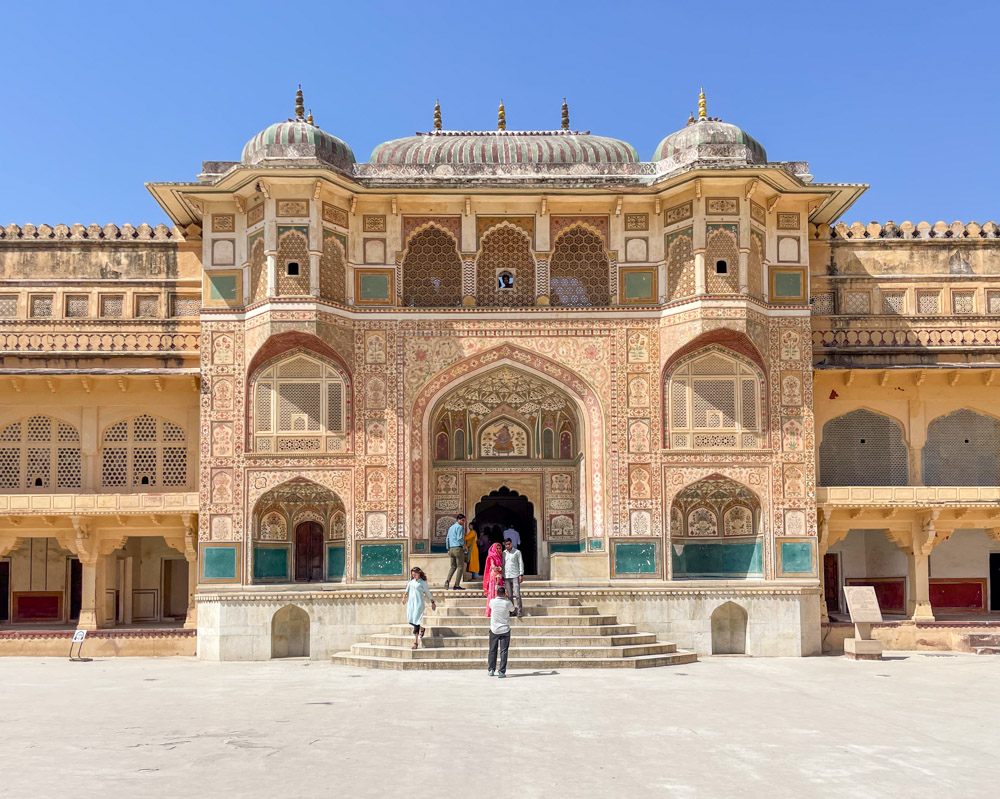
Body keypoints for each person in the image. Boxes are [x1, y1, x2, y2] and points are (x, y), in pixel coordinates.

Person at [402, 567, 436, 649]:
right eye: (412, 575)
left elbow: (427, 592)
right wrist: (403, 598)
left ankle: (415, 642)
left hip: (419, 604)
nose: (414, 576)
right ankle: (422, 628)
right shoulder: (411, 582)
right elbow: (407, 590)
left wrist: (432, 601)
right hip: (411, 603)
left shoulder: (422, 582)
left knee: (416, 622)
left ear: (419, 574)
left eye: (415, 574)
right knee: (410, 620)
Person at [487, 584, 515, 678]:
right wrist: (507, 598)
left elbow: (491, 605)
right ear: (505, 594)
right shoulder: (508, 603)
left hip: (494, 629)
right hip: (505, 629)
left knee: (492, 650)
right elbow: (512, 609)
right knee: (504, 651)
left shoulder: (492, 602)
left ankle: (491, 669)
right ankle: (502, 671)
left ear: (497, 593)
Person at [502, 537, 524, 617]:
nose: (508, 546)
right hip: (506, 576)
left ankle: (519, 610)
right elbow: (503, 564)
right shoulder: (504, 553)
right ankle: (512, 611)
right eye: (506, 544)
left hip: (515, 575)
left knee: (517, 594)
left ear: (511, 543)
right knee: (509, 595)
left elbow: (520, 563)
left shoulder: (517, 552)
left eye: (509, 544)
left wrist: (521, 574)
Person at [444, 514, 467, 590]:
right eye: (462, 520)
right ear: (458, 520)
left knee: (453, 566)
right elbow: (459, 538)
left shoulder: (451, 527)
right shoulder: (460, 527)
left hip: (451, 549)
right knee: (460, 567)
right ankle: (456, 585)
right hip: (458, 548)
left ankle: (447, 581)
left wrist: (448, 549)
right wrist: (464, 545)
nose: (463, 522)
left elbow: (447, 538)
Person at [482, 542, 503, 616]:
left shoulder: (500, 556)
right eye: (496, 548)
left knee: (498, 593)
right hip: (494, 577)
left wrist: (500, 569)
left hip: (499, 576)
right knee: (493, 593)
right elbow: (493, 567)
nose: (498, 550)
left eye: (499, 548)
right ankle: (490, 611)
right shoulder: (491, 556)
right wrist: (499, 569)